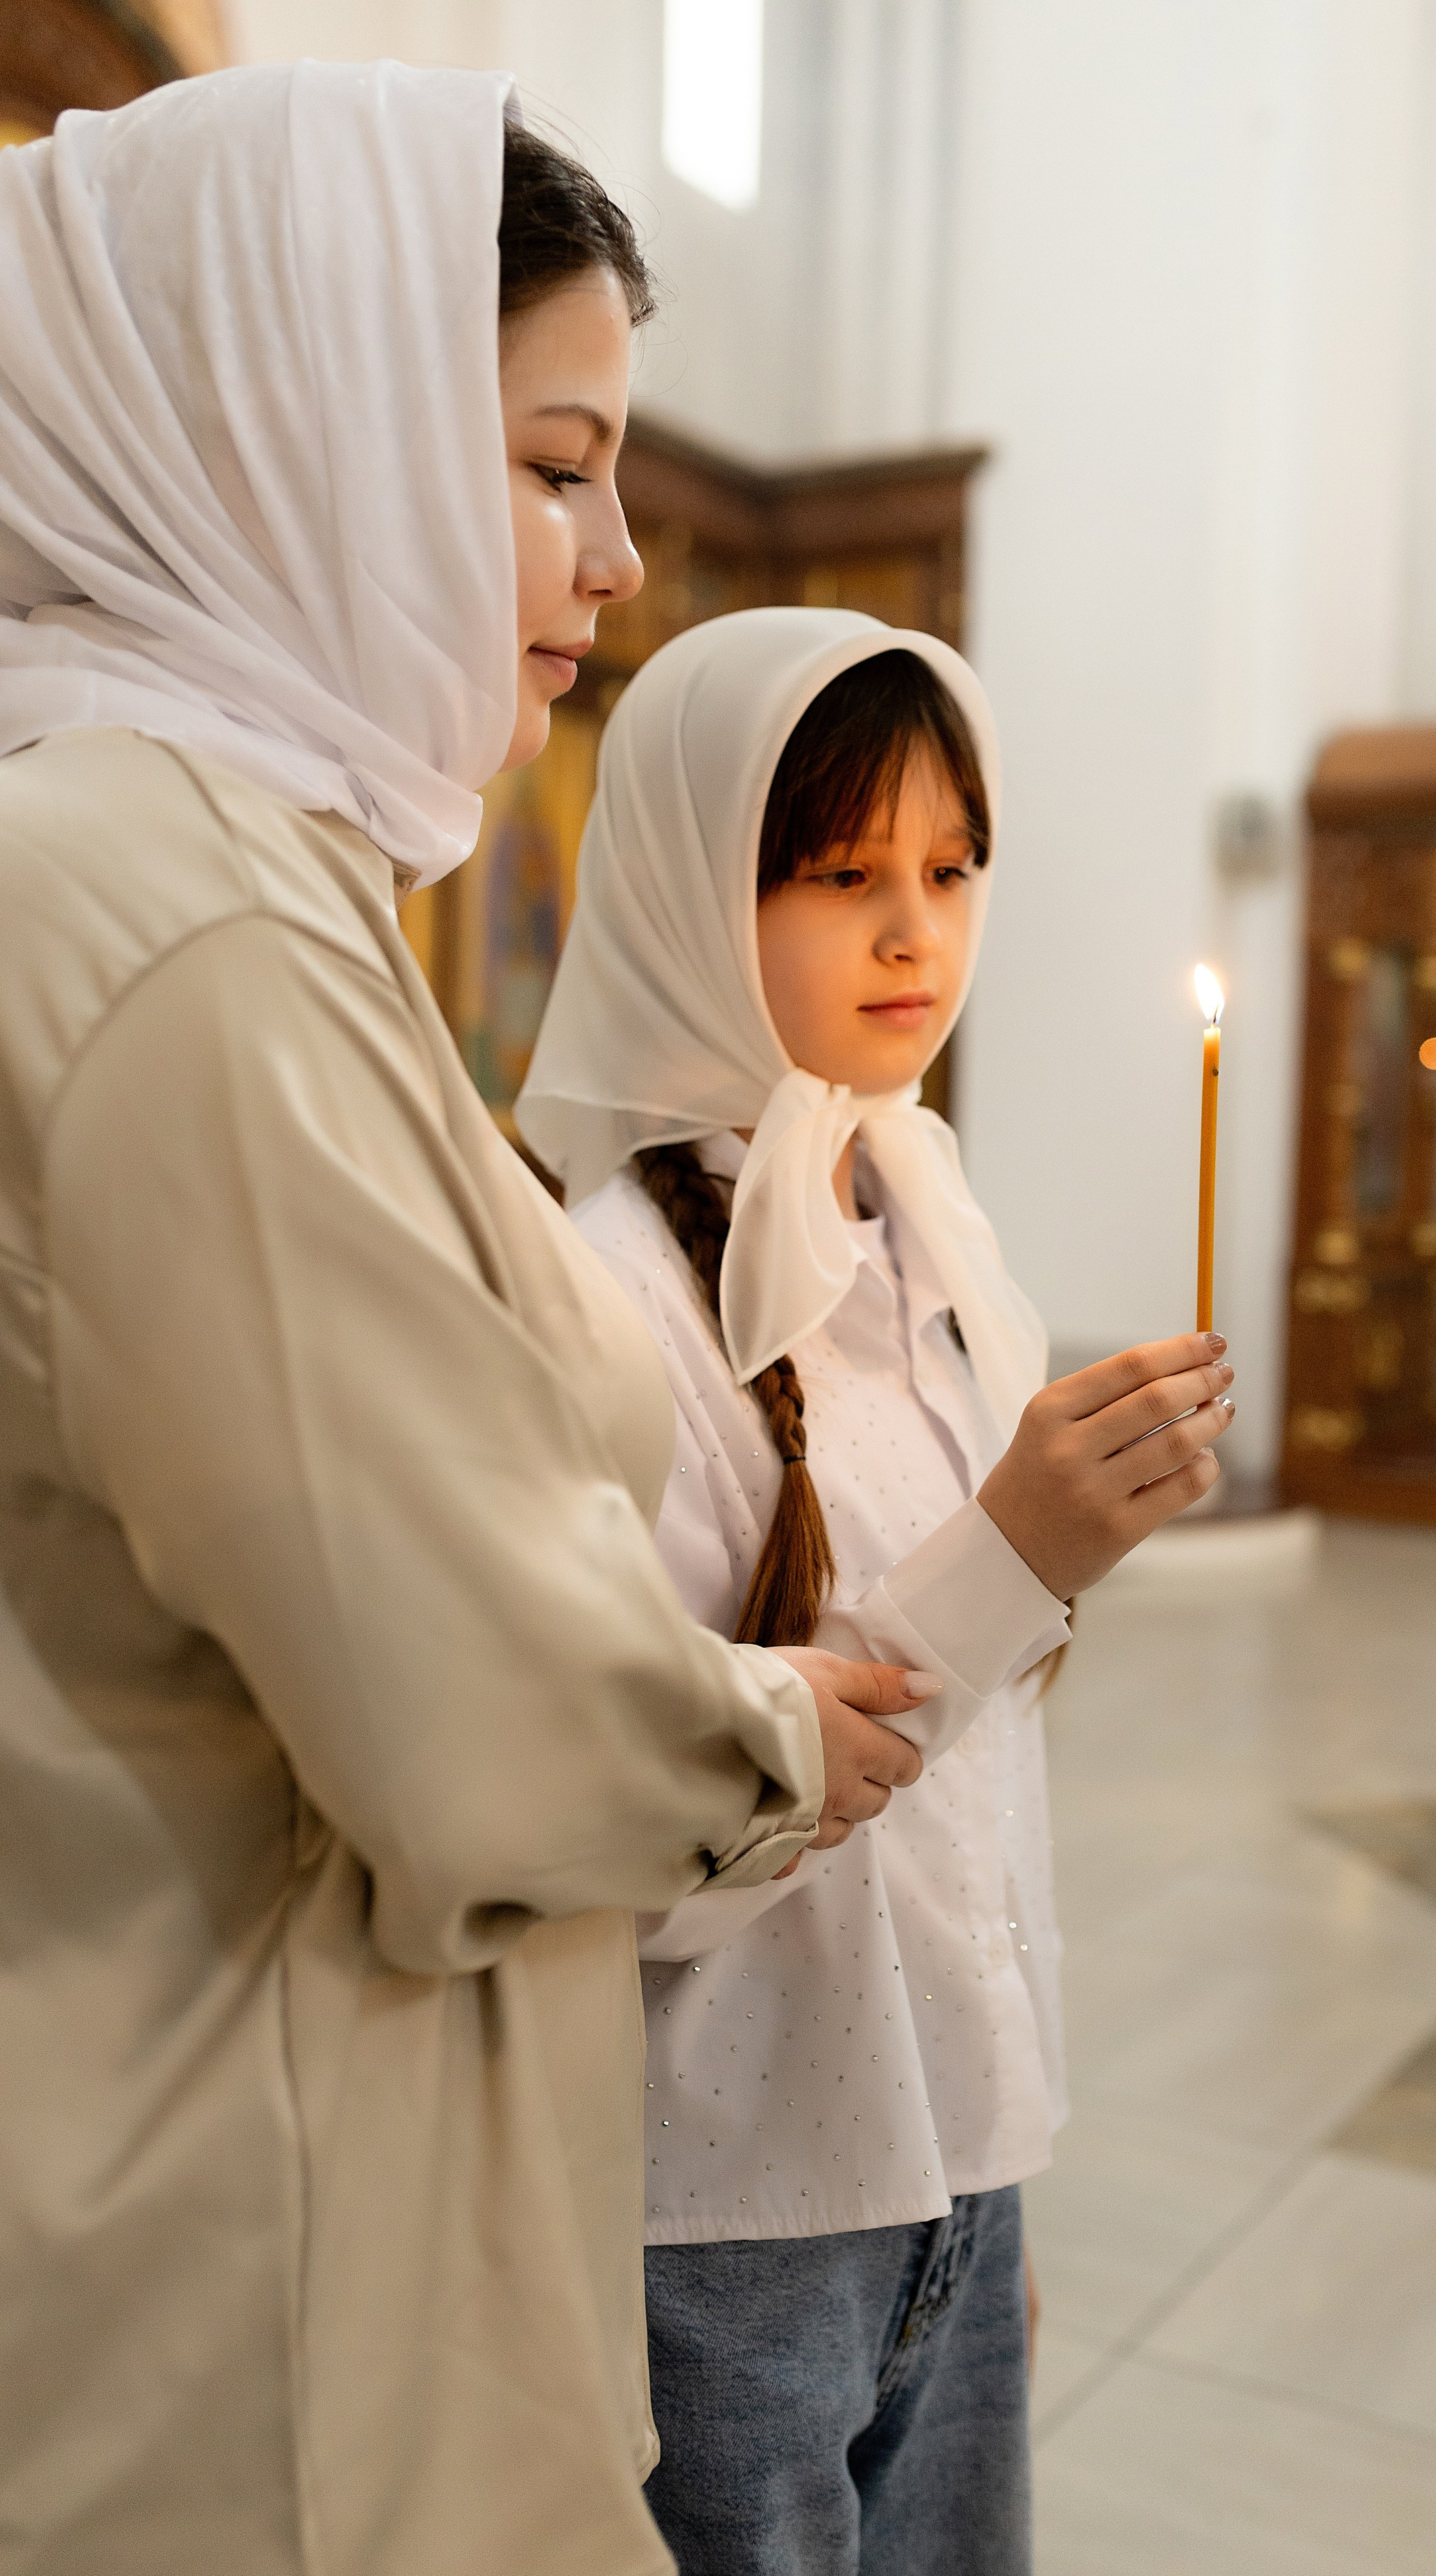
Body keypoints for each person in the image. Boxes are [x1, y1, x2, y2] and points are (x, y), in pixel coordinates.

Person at [0, 69, 934, 2576]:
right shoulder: (170, 910)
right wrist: (767, 1736)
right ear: (289, 430)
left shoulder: (213, 852)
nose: (621, 557)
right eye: (548, 465)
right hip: (265, 2305)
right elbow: (465, 1715)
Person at [517, 608, 1237, 2573]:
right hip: (725, 2212)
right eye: (843, 878)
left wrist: (980, 2199)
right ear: (686, 881)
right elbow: (623, 1826)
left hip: (947, 2145)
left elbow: (977, 1750)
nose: (918, 933)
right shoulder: (607, 1296)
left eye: (951, 868)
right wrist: (1011, 1556)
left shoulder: (919, 1208)